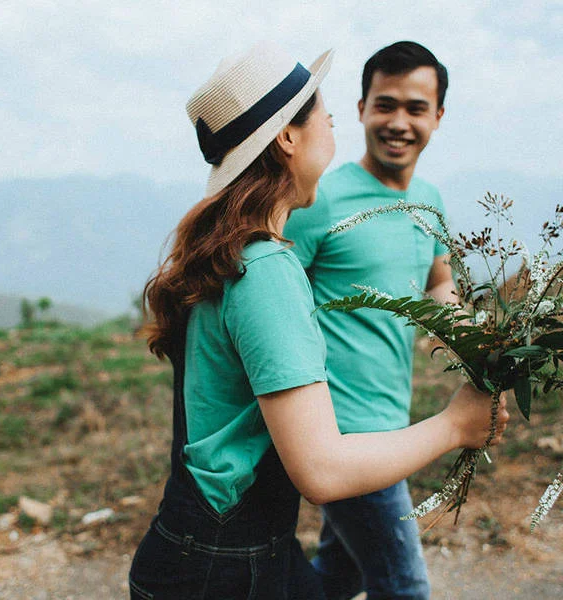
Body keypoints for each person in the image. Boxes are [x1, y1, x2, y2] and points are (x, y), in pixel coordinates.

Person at [128, 42, 508, 600]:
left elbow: (437, 282)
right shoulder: (266, 269)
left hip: (233, 548)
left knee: (334, 578)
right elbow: (322, 471)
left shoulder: (240, 252)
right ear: (288, 137)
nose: (331, 125)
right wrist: (454, 426)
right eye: (323, 113)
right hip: (220, 567)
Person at [284, 41, 455, 599]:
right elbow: (273, 297)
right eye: (385, 105)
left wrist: (478, 340)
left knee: (341, 575)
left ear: (437, 116)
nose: (398, 122)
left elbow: (439, 282)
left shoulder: (428, 201)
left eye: (415, 108)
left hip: (392, 430)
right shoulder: (321, 200)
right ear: (361, 109)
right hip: (343, 435)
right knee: (404, 588)